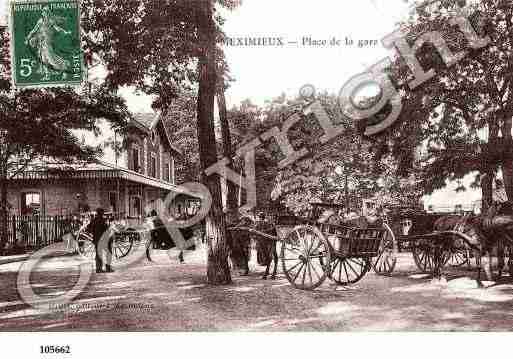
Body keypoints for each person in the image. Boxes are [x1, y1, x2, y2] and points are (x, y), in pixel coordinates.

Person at [87, 208, 113, 273]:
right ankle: (108, 268)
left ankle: (98, 268)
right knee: (108, 253)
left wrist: (93, 233)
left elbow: (88, 228)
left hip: (96, 240)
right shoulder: (102, 220)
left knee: (98, 254)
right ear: (101, 213)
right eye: (103, 213)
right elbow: (106, 230)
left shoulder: (94, 220)